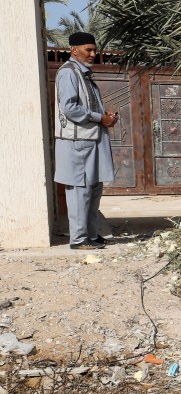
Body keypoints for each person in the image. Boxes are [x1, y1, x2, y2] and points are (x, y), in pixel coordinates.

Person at [54, 32, 117, 250]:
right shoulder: (68, 73)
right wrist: (100, 118)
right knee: (80, 191)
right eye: (88, 49)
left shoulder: (84, 74)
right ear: (73, 50)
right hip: (76, 142)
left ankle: (91, 234)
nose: (93, 54)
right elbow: (69, 108)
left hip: (91, 140)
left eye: (94, 49)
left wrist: (105, 115)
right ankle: (79, 239)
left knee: (94, 189)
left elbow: (86, 106)